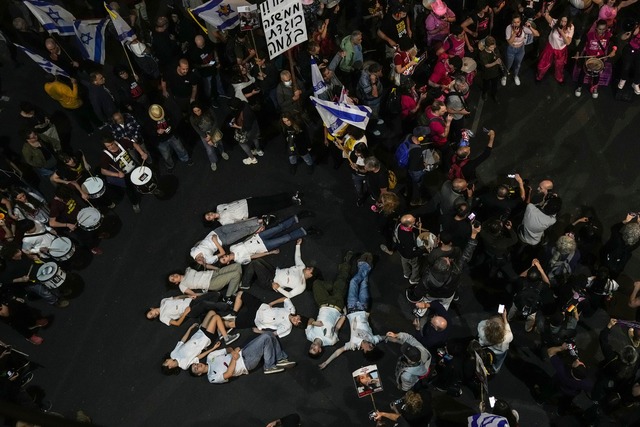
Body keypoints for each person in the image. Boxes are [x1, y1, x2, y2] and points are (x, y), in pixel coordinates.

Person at [318, 253, 385, 369]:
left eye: (369, 347)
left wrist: (326, 362)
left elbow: (338, 351)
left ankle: (364, 265)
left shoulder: (353, 345)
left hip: (352, 307)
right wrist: (398, 337)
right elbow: (387, 337)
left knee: (354, 282)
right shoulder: (373, 339)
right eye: (372, 346)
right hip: (363, 307)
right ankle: (364, 265)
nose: (370, 344)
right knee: (364, 282)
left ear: (364, 351)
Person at [219, 214, 321, 266]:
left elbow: (245, 240)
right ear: (228, 262)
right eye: (224, 259)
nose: (224, 256)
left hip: (258, 237)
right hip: (264, 246)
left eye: (222, 256)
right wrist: (269, 253)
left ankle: (298, 217)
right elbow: (254, 256)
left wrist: (256, 232)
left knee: (279, 227)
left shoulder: (232, 247)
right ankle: (307, 231)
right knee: (286, 238)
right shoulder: (239, 260)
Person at [190, 333, 296, 381]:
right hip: (245, 363)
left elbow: (228, 349)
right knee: (266, 338)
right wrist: (234, 359)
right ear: (199, 374)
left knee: (269, 334)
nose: (197, 365)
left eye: (195, 364)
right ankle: (269, 365)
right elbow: (228, 374)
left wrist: (233, 351)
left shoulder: (210, 356)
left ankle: (279, 359)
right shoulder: (211, 378)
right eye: (196, 368)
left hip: (243, 352)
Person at [306, 252, 352, 357]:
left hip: (322, 303)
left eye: (311, 348)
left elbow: (309, 320)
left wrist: (314, 323)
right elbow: (337, 328)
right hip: (336, 306)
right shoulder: (330, 341)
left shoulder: (309, 335)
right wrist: (344, 315)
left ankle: (333, 286)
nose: (313, 346)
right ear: (320, 350)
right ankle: (346, 262)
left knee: (316, 284)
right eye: (314, 349)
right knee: (341, 281)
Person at [161, 313, 240, 374]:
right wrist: (213, 348)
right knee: (216, 317)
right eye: (166, 362)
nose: (167, 360)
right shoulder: (184, 365)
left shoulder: (173, 354)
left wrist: (190, 329)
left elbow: (182, 341)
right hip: (205, 339)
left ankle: (220, 330)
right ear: (170, 367)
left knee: (211, 312)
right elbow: (198, 357)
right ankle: (227, 338)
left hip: (199, 333)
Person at [0, 243, 69, 308]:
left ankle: (59, 294)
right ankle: (54, 301)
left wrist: (33, 257)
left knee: (51, 284)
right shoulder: (9, 268)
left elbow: (28, 255)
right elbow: (5, 280)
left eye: (18, 249)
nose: (19, 251)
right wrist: (21, 279)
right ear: (12, 256)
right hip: (31, 282)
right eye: (16, 252)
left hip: (38, 270)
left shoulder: (21, 254)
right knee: (45, 293)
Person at [242, 238, 315, 298]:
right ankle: (253, 275)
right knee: (259, 261)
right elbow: (298, 257)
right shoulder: (302, 267)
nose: (308, 268)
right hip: (274, 271)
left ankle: (245, 284)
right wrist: (298, 245)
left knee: (255, 264)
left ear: (310, 275)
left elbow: (290, 295)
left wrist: (278, 288)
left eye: (309, 269)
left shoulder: (302, 285)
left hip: (271, 282)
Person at [99, 134, 147, 213]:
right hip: (125, 174)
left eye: (112, 144)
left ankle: (148, 189)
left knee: (144, 177)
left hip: (133, 165)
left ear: (114, 141)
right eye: (108, 146)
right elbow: (103, 171)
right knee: (130, 190)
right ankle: (135, 203)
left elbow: (133, 144)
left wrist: (142, 153)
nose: (111, 147)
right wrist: (117, 175)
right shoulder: (105, 156)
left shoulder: (121, 142)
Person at [190, 218, 264, 266]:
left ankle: (259, 221)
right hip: (223, 240)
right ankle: (259, 227)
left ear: (195, 260)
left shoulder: (193, 253)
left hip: (216, 232)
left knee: (238, 226)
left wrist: (204, 240)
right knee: (244, 232)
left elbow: (197, 244)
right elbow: (222, 253)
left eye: (199, 260)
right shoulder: (209, 260)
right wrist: (215, 241)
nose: (202, 259)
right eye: (202, 262)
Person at [203, 192, 302, 226]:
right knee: (272, 206)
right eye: (209, 217)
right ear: (212, 220)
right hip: (249, 212)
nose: (210, 215)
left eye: (208, 214)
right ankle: (293, 201)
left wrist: (246, 199)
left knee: (270, 198)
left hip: (248, 202)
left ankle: (290, 195)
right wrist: (254, 219)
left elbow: (232, 203)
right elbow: (239, 222)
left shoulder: (219, 207)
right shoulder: (224, 222)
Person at [574, 20, 616, 99]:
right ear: (596, 28)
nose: (602, 31)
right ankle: (579, 87)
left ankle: (595, 87)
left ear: (606, 28)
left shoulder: (608, 35)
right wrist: (577, 54)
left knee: (597, 73)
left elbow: (615, 41)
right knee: (583, 72)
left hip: (600, 57)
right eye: (600, 29)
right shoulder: (589, 35)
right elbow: (581, 44)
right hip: (589, 56)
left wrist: (614, 50)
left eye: (604, 29)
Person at [146, 104, 192, 171]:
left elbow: (173, 121)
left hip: (171, 135)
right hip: (160, 141)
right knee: (166, 155)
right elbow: (148, 132)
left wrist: (170, 127)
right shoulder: (148, 121)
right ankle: (170, 166)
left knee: (180, 148)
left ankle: (185, 158)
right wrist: (157, 132)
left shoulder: (165, 112)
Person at [146, 292, 228, 326]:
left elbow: (177, 297)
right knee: (204, 304)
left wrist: (188, 296)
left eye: (151, 313)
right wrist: (185, 313)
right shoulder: (162, 317)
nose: (154, 315)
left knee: (215, 294)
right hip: (190, 311)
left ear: (151, 309)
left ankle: (213, 309)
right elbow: (177, 323)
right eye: (152, 317)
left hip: (191, 301)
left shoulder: (163, 301)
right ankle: (227, 306)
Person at [189, 101, 228, 172]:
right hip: (204, 134)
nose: (197, 113)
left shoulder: (209, 111)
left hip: (213, 130)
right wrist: (206, 137)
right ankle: (213, 161)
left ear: (201, 108)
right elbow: (197, 129)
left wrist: (211, 134)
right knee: (209, 149)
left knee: (219, 142)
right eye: (195, 111)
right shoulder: (192, 118)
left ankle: (222, 152)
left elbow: (215, 122)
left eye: (198, 110)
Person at [536, 12, 574, 83]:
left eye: (565, 21)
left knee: (559, 66)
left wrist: (561, 32)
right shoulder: (555, 23)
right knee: (543, 63)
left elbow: (568, 42)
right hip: (550, 47)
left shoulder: (570, 28)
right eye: (561, 21)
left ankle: (559, 77)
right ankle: (539, 76)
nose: (562, 23)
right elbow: (546, 15)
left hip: (560, 50)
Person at [168, 264, 243, 298]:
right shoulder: (182, 285)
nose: (174, 276)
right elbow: (193, 294)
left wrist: (216, 268)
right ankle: (229, 296)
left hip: (213, 273)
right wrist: (207, 294)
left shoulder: (187, 269)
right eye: (173, 279)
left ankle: (236, 286)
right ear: (175, 283)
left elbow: (204, 265)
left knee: (237, 266)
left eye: (173, 275)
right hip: (211, 283)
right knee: (235, 274)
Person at [505, 13, 539, 86]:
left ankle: (515, 76)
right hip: (511, 49)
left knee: (517, 64)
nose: (516, 24)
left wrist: (530, 27)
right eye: (514, 22)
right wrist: (514, 33)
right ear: (512, 22)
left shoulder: (523, 28)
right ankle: (505, 75)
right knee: (508, 64)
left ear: (520, 22)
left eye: (518, 22)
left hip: (520, 50)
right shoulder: (508, 28)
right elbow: (510, 42)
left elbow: (537, 34)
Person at [228, 97, 261, 165]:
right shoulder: (244, 104)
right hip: (255, 126)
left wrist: (236, 126)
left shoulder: (245, 114)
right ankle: (258, 150)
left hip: (248, 130)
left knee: (242, 143)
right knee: (255, 138)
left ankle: (252, 159)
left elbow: (246, 127)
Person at [478, 36, 504, 101]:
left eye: (493, 46)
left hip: (495, 72)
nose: (493, 48)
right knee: (486, 85)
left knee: (495, 86)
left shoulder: (495, 49)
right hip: (487, 73)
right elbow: (486, 65)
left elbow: (498, 56)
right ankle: (484, 93)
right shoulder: (482, 54)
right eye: (491, 47)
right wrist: (495, 62)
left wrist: (499, 61)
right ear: (486, 46)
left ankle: (494, 94)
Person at [618, 23, 640, 93]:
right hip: (630, 49)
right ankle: (623, 79)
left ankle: (636, 83)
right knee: (626, 66)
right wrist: (631, 32)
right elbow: (622, 38)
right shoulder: (635, 27)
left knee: (639, 68)